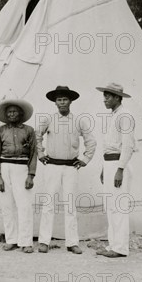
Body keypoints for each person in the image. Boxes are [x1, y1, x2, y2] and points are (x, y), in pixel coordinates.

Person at [36, 85, 96, 254]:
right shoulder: (48, 119)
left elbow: (91, 141)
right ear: (55, 102)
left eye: (64, 99)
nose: (62, 102)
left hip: (71, 166)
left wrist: (85, 159)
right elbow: (36, 136)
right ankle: (44, 241)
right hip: (52, 166)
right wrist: (40, 153)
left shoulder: (79, 120)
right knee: (48, 203)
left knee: (70, 205)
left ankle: (72, 242)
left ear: (70, 101)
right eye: (59, 100)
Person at [95, 82, 136, 258]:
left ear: (118, 98)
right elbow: (109, 146)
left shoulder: (125, 116)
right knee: (110, 206)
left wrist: (120, 169)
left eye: (108, 96)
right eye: (104, 96)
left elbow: (128, 146)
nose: (105, 99)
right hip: (109, 163)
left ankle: (120, 248)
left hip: (119, 164)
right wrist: (105, 168)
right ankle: (113, 244)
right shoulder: (114, 116)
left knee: (119, 206)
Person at [0, 99, 37, 253]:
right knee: (7, 205)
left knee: (24, 206)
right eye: (9, 112)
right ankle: (12, 240)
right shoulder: (0, 131)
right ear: (6, 115)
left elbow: (33, 154)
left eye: (15, 111)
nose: (12, 114)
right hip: (5, 168)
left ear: (20, 114)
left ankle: (26, 241)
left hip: (22, 169)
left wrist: (31, 175)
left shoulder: (29, 130)